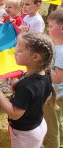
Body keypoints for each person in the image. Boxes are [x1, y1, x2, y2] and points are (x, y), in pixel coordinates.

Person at [0, 32, 57, 148]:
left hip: (26, 134)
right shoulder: (45, 74)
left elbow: (15, 114)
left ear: (35, 57)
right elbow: (42, 98)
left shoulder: (27, 86)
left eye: (19, 51)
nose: (14, 52)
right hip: (38, 125)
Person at [43, 9, 63, 148]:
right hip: (59, 96)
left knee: (51, 129)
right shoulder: (58, 46)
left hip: (54, 97)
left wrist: (44, 65)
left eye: (50, 26)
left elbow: (58, 78)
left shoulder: (61, 51)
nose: (47, 29)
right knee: (57, 123)